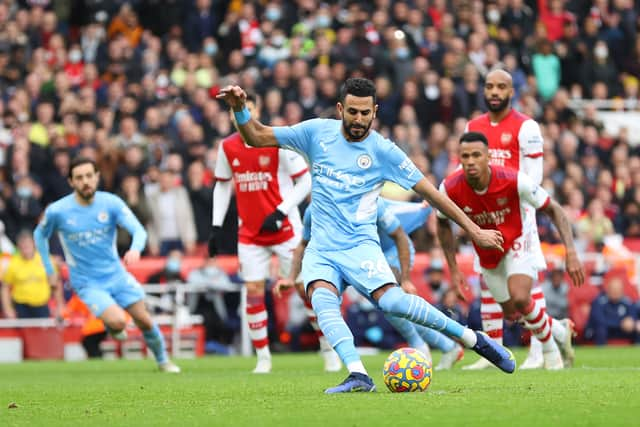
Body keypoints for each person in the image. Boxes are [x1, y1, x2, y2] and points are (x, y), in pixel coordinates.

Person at [217, 78, 514, 393]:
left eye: (365, 113)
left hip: (361, 246)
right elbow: (257, 135)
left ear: (375, 111)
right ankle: (358, 373)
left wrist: (474, 230)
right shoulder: (316, 132)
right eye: (353, 112)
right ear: (341, 109)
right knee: (320, 297)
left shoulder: (383, 151)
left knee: (394, 304)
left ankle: (471, 338)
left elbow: (432, 193)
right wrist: (239, 109)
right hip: (322, 248)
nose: (359, 120)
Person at [208, 93, 333, 374]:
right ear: (231, 115)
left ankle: (327, 348)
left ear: (257, 109)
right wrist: (215, 227)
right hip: (250, 233)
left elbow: (305, 180)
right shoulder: (227, 147)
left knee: (304, 289)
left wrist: (281, 210)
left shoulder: (277, 140)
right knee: (253, 291)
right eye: (236, 110)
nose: (242, 114)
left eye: (248, 108)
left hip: (286, 231)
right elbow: (222, 185)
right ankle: (263, 357)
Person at [436, 132, 584, 370]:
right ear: (459, 158)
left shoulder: (514, 180)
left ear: (488, 157)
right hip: (488, 251)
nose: (471, 161)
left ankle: (549, 350)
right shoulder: (450, 187)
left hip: (517, 239)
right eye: (465, 156)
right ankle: (558, 329)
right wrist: (453, 270)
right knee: (512, 312)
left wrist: (572, 252)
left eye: (476, 155)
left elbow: (554, 209)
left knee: (521, 296)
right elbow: (442, 222)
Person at [275, 198, 465, 370]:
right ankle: (448, 346)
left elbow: (396, 221)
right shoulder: (314, 210)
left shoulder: (366, 200)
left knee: (390, 303)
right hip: (360, 257)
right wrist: (291, 278)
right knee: (389, 307)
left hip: (392, 251)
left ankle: (421, 345)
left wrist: (406, 278)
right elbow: (303, 243)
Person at [33, 157, 180, 373]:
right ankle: (114, 325)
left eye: (89, 176)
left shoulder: (110, 203)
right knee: (120, 322)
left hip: (116, 276)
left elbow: (139, 230)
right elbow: (39, 235)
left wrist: (135, 249)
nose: (85, 181)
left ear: (97, 177)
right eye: (79, 177)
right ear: (71, 182)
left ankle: (163, 361)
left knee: (144, 320)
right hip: (87, 282)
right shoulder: (59, 211)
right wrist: (49, 269)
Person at [464, 68, 552, 370]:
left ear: (511, 91)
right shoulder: (473, 126)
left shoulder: (527, 127)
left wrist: (521, 204)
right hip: (486, 213)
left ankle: (540, 348)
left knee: (525, 284)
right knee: (489, 280)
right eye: (489, 86)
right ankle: (493, 351)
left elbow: (534, 175)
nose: (494, 92)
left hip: (517, 212)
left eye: (501, 87)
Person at [1, 230, 64, 319]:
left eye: (28, 246)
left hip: (41, 305)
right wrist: (8, 309)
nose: (26, 249)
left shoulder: (46, 260)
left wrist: (60, 305)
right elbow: (5, 288)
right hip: (21, 306)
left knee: (43, 332)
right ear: (18, 247)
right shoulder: (13, 263)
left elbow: (56, 284)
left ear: (34, 244)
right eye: (23, 247)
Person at [584, 277, 638, 345]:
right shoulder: (599, 301)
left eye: (618, 289)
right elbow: (599, 320)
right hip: (602, 330)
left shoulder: (627, 302)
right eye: (613, 289)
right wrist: (620, 323)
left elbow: (633, 314)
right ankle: (601, 352)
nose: (616, 292)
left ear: (622, 291)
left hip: (620, 330)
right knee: (601, 329)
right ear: (608, 289)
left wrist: (631, 320)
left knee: (637, 327)